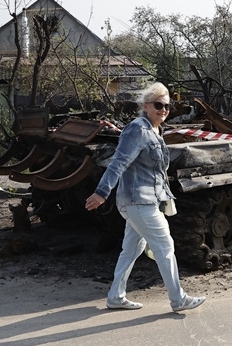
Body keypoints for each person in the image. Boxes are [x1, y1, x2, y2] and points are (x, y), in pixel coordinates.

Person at [84, 83, 205, 312]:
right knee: (165, 245)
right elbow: (119, 162)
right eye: (158, 105)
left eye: (167, 106)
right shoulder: (137, 129)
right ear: (146, 106)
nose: (164, 110)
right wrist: (102, 192)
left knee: (131, 249)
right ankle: (178, 299)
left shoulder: (155, 131)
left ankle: (116, 297)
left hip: (146, 200)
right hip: (138, 201)